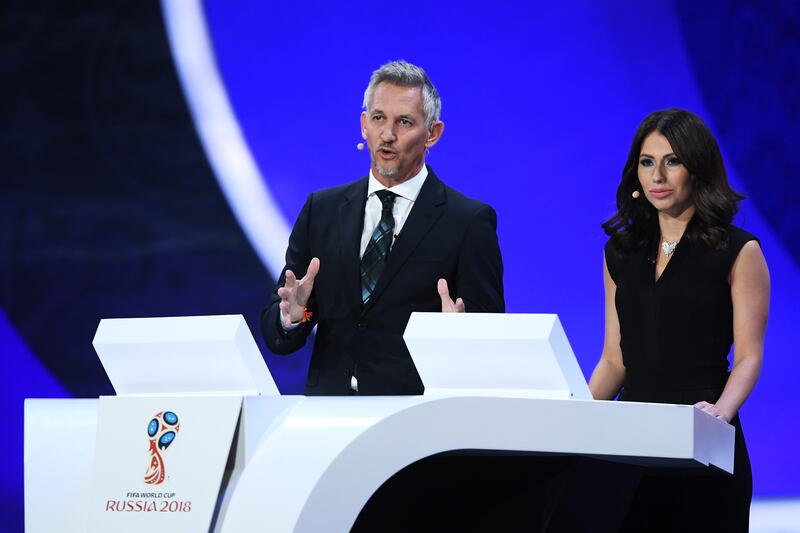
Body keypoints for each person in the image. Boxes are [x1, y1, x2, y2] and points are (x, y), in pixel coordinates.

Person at [261, 60, 504, 396]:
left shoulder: (467, 222)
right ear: (364, 125)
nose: (388, 135)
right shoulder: (323, 210)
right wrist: (293, 316)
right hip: (329, 414)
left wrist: (461, 339)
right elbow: (279, 333)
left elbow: (492, 345)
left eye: (404, 122)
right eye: (378, 119)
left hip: (416, 422)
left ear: (432, 133)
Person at [588, 109, 769, 531]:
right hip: (629, 443)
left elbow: (749, 356)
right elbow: (614, 360)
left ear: (697, 169)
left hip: (703, 435)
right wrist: (574, 422)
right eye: (647, 162)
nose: (658, 176)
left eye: (672, 161)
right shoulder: (619, 252)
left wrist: (722, 412)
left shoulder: (739, 251)